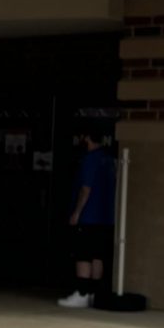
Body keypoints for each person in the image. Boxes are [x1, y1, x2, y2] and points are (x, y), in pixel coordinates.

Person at [59, 127, 117, 309]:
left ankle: (82, 293)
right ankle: (93, 294)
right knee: (98, 255)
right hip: (106, 216)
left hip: (89, 216)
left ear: (87, 138)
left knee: (83, 254)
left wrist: (76, 212)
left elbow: (86, 188)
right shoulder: (108, 159)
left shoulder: (90, 159)